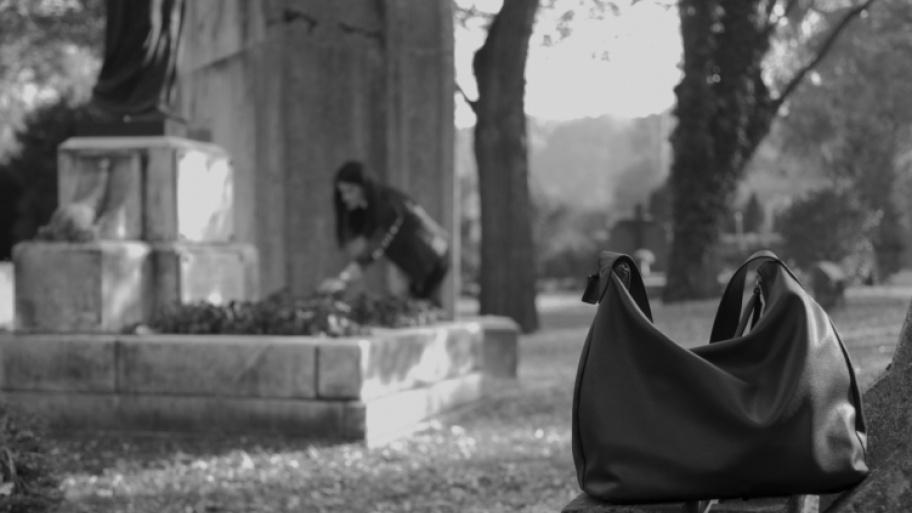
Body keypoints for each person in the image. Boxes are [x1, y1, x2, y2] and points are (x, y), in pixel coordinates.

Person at [319, 161, 450, 304]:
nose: (345, 198)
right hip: (418, 266)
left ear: (365, 187)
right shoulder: (369, 210)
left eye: (350, 191)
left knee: (427, 307)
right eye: (342, 192)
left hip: (433, 261)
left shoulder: (387, 204)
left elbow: (376, 245)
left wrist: (343, 279)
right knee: (416, 304)